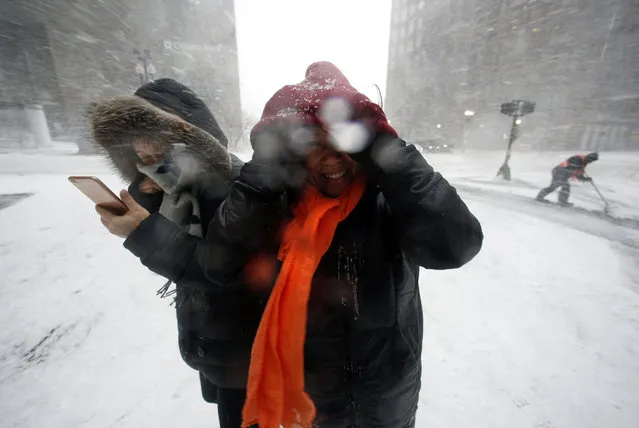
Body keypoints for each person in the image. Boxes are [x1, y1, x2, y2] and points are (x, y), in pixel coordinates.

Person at [97, 62, 483, 428]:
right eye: (315, 142)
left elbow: (454, 247)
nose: (332, 158)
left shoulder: (389, 199)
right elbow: (212, 266)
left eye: (345, 139)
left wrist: (396, 157)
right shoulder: (278, 206)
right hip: (307, 401)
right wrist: (144, 232)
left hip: (385, 400)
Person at [90, 78, 262, 427]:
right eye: (136, 143)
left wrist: (142, 233)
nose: (143, 151)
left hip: (244, 352)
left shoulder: (238, 184)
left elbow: (221, 269)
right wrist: (149, 199)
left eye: (153, 139)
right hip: (210, 340)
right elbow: (181, 260)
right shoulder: (172, 183)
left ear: (191, 135)